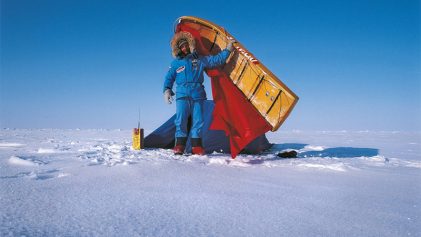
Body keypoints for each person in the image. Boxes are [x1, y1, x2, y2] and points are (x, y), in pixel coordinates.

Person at [163, 31, 234, 155]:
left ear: (190, 45)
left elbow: (216, 60)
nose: (184, 48)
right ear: (178, 49)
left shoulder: (200, 59)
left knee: (198, 120)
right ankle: (179, 145)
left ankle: (197, 146)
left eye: (186, 45)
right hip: (182, 95)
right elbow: (169, 78)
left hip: (198, 95)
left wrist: (228, 49)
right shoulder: (175, 63)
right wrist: (167, 90)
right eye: (182, 47)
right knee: (181, 120)